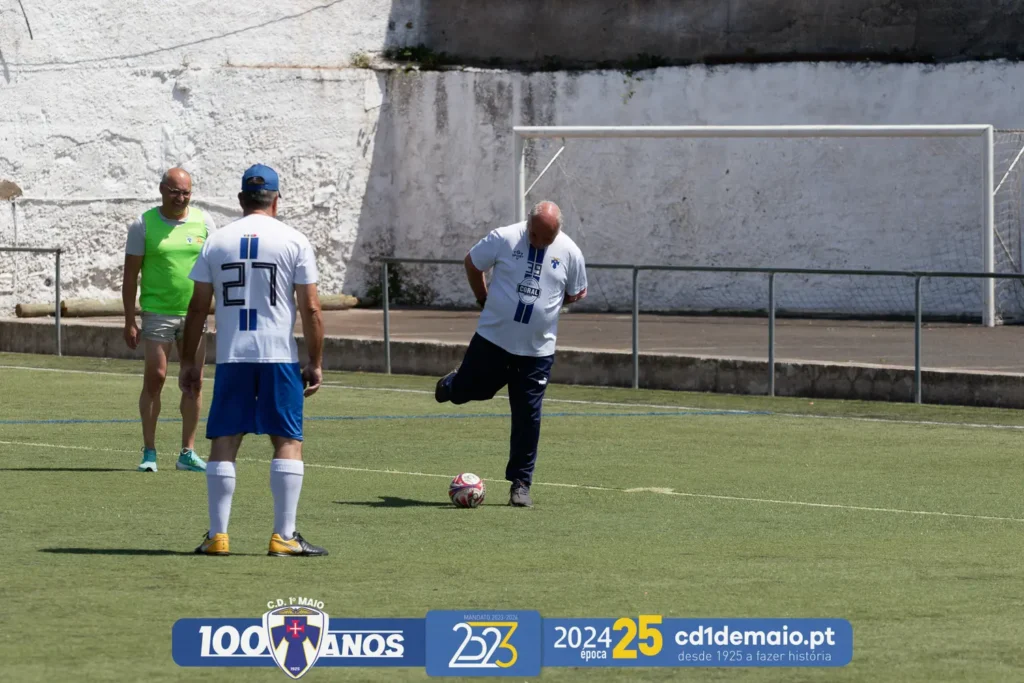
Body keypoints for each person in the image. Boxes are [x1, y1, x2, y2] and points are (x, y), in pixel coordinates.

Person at [178, 163, 327, 557]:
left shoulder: (217, 241)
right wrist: (315, 361)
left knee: (225, 440)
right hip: (278, 356)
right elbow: (311, 308)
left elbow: (197, 308)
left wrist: (189, 363)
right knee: (288, 440)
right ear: (276, 200)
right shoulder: (294, 241)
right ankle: (284, 536)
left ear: (241, 199)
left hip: (233, 357)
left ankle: (218, 536)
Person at [434, 201, 588, 507]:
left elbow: (576, 292)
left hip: (537, 352)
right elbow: (472, 262)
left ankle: (521, 484)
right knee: (470, 391)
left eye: (548, 238)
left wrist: (545, 309)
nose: (540, 242)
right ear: (528, 224)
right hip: (493, 340)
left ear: (558, 232)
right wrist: (483, 298)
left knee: (528, 416)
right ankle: (452, 385)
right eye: (535, 235)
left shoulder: (571, 252)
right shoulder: (504, 237)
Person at [122, 167, 215, 473]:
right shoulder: (143, 225)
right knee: (156, 377)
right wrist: (129, 319)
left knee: (194, 382)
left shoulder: (205, 222)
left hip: (195, 314)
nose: (180, 198)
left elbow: (217, 269)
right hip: (157, 312)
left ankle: (187, 452)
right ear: (162, 190)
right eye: (175, 192)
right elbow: (130, 276)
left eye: (186, 192)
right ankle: (149, 452)